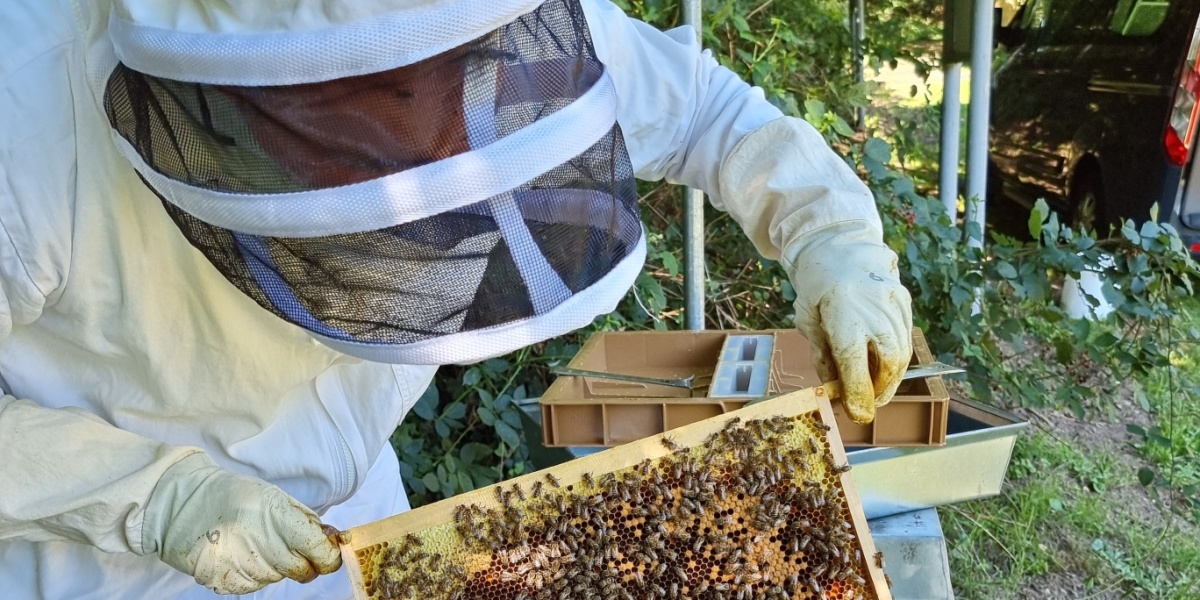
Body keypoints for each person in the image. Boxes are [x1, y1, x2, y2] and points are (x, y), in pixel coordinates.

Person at [0, 0, 913, 597]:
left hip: (353, 520)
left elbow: (711, 113)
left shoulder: (476, 17)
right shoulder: (26, 109)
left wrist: (834, 240)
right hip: (89, 553)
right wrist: (158, 498)